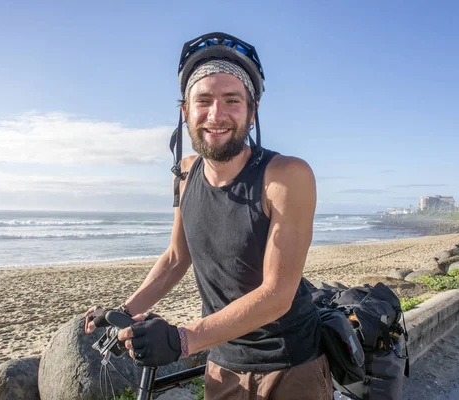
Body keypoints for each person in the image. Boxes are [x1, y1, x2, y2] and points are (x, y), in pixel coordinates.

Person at [84, 32, 332, 399]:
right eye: (204, 101)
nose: (216, 115)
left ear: (252, 110)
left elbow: (278, 293)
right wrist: (123, 310)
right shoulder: (185, 174)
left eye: (232, 100)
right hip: (222, 363)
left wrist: (182, 340)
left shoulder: (285, 176)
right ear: (185, 110)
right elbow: (175, 259)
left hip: (291, 364)